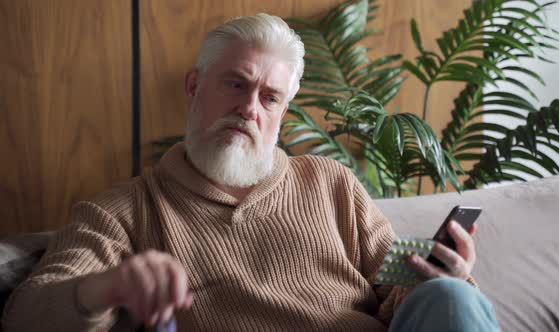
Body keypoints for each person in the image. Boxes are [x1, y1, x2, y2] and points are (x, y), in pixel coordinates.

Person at [2, 13, 499, 332]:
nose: (248, 108)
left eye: (269, 97)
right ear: (194, 86)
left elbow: (399, 294)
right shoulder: (122, 211)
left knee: (451, 297)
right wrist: (105, 289)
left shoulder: (331, 183)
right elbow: (25, 315)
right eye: (235, 85)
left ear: (283, 111)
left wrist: (444, 277)